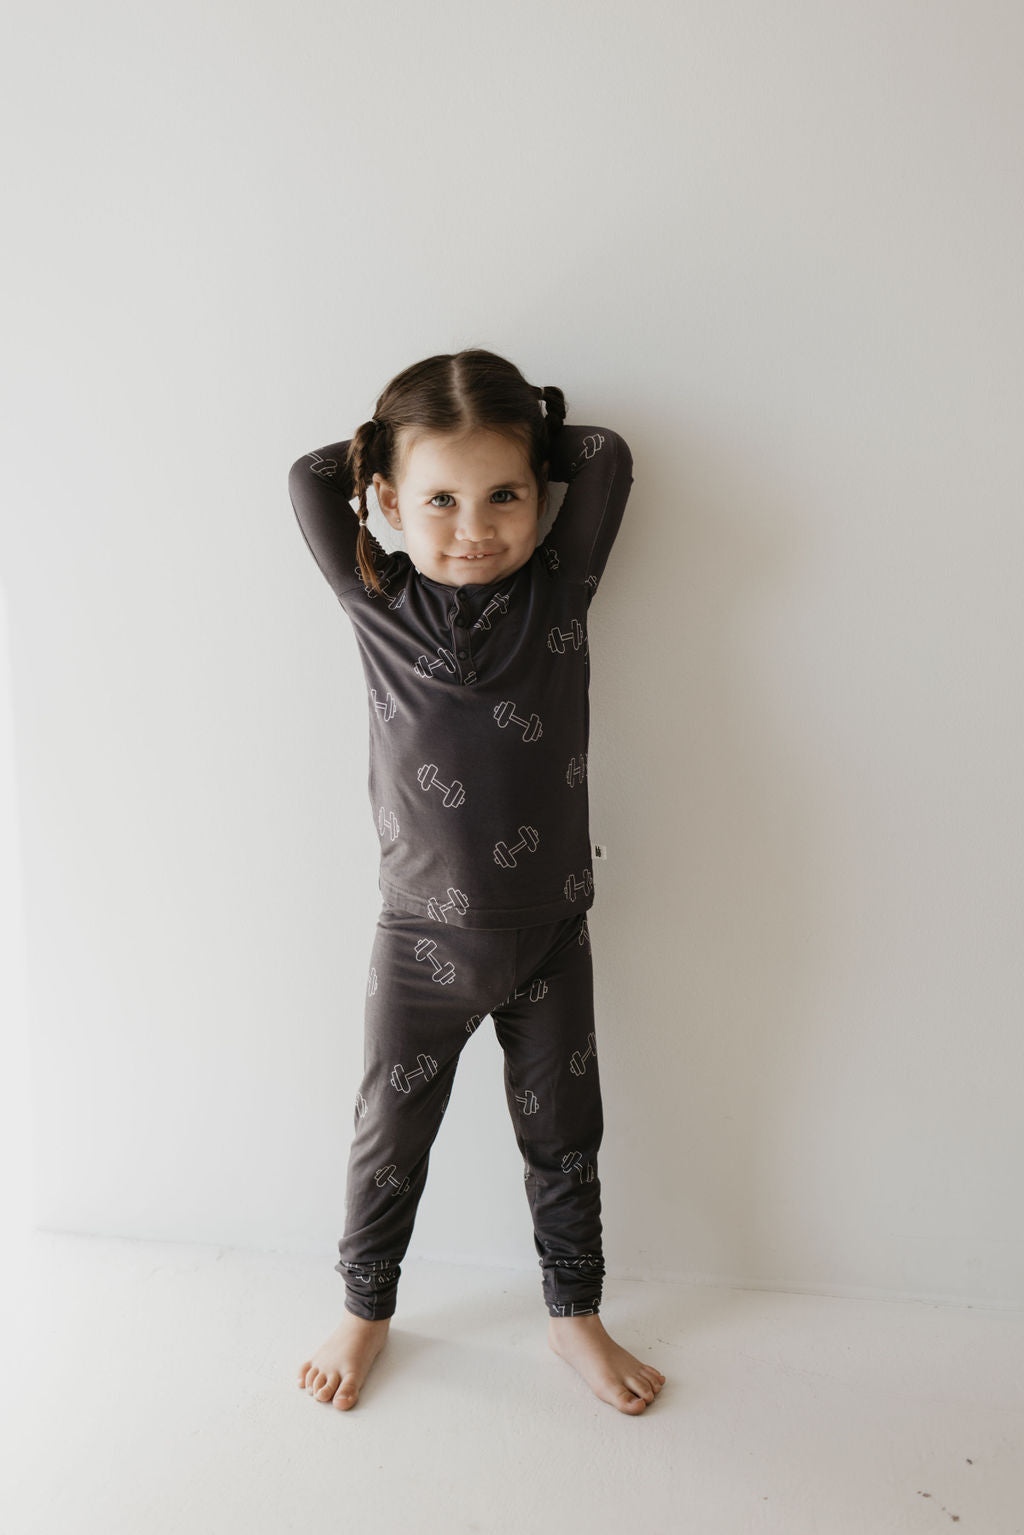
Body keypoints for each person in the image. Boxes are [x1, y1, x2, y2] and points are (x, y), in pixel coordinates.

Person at [287, 347, 665, 1414]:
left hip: (552, 929)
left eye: (504, 493)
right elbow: (307, 478)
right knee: (388, 1137)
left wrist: (523, 435)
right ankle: (365, 1309)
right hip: (418, 944)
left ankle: (573, 1313)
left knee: (564, 1135)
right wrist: (384, 450)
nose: (474, 524)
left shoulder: (560, 586)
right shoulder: (375, 598)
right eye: (439, 500)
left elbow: (605, 453)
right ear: (390, 504)